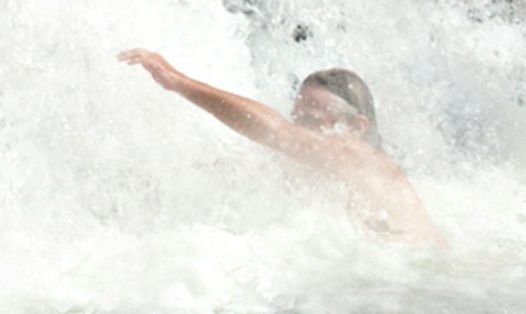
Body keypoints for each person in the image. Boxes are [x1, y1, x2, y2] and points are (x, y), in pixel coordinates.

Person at [116, 48, 446, 244]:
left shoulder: (366, 161)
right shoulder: (321, 175)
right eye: (297, 118)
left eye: (312, 120)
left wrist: (179, 82)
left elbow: (274, 130)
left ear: (356, 127)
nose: (301, 131)